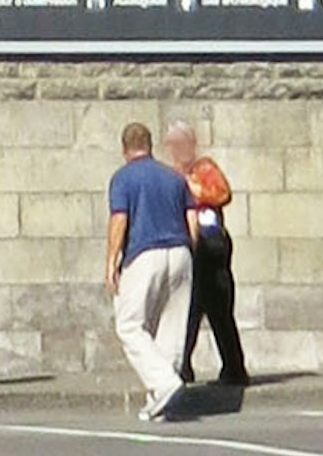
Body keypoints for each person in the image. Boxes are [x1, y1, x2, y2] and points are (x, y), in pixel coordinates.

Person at [106, 120, 196, 423]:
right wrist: (189, 252)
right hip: (181, 251)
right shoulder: (174, 178)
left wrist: (111, 262)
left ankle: (163, 383)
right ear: (150, 145)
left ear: (124, 149)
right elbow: (191, 219)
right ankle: (161, 399)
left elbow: (120, 220)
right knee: (171, 326)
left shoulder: (123, 178)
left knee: (130, 325)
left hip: (145, 253)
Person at [167, 123, 247, 397]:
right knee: (188, 308)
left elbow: (221, 194)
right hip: (189, 243)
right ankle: (182, 366)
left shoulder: (204, 169)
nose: (176, 150)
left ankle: (234, 368)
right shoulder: (172, 174)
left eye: (180, 143)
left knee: (218, 309)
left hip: (211, 243)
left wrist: (190, 187)